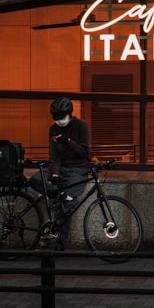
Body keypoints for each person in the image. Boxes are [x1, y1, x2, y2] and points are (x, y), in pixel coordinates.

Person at [30, 97, 92, 250]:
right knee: (35, 179)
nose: (59, 121)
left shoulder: (81, 126)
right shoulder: (54, 129)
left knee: (68, 201)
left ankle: (60, 242)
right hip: (61, 168)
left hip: (78, 168)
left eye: (62, 117)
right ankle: (59, 195)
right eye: (56, 118)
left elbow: (84, 153)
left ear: (69, 114)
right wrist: (55, 174)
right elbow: (54, 156)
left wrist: (68, 142)